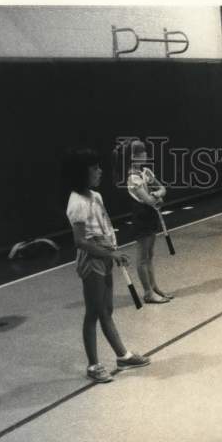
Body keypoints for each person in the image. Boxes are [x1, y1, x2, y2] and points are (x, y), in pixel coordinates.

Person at [64, 148, 151, 383]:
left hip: (105, 256)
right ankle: (93, 365)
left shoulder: (96, 196)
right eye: (94, 168)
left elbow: (103, 228)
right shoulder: (77, 203)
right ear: (82, 173)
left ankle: (122, 355)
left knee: (107, 310)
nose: (100, 172)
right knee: (93, 312)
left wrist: (113, 252)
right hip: (92, 261)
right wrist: (109, 254)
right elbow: (81, 241)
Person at [123, 139, 172, 304]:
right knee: (143, 257)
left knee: (150, 255)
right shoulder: (132, 178)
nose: (145, 154)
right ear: (134, 156)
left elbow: (163, 189)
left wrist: (157, 195)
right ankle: (147, 293)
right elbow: (148, 200)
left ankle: (154, 287)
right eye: (142, 152)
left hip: (151, 216)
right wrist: (156, 196)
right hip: (141, 218)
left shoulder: (146, 172)